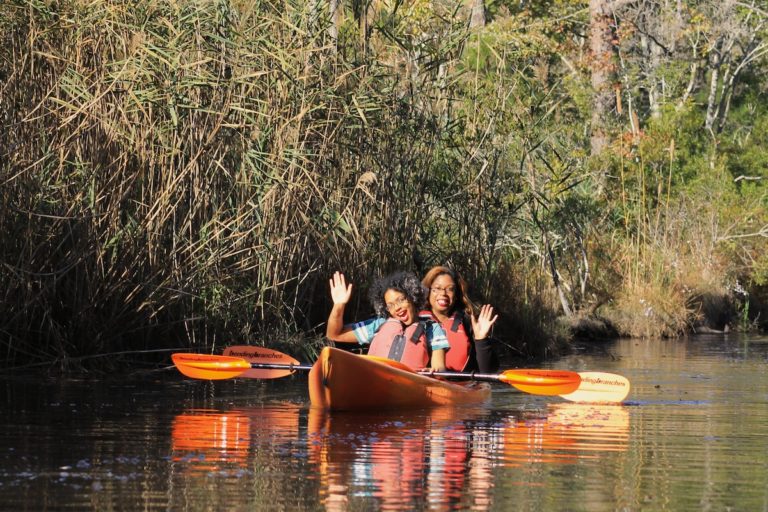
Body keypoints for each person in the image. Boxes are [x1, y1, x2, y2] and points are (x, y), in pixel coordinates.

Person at [326, 271, 448, 371]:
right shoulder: (379, 325)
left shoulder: (432, 329)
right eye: (390, 305)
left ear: (412, 297)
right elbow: (334, 334)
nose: (397, 308)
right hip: (374, 380)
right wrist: (339, 305)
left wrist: (434, 371)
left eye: (401, 300)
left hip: (409, 385)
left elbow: (440, 367)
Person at [420, 266, 498, 373]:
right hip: (421, 382)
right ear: (428, 292)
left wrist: (481, 340)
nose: (443, 294)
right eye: (437, 288)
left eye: (450, 289)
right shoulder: (414, 322)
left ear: (456, 295)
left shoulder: (468, 323)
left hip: (460, 384)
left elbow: (488, 372)